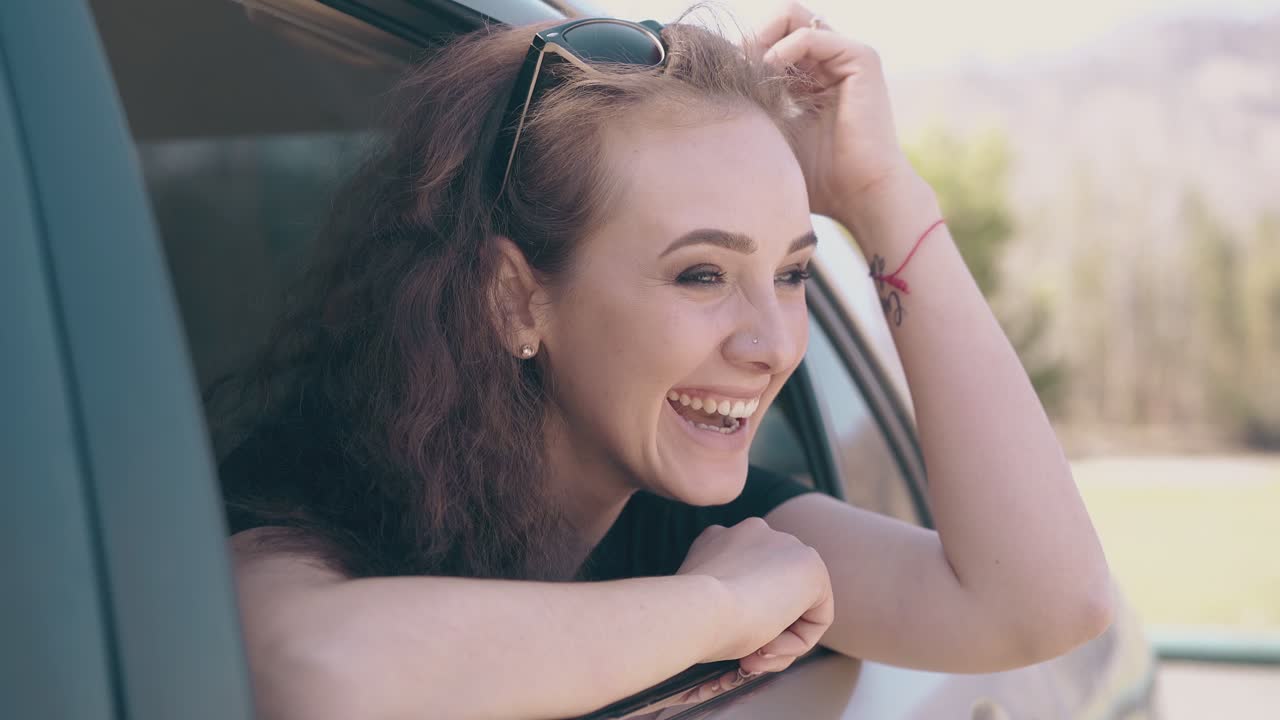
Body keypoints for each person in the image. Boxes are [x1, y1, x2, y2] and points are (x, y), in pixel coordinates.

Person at [212, 4, 1114, 719]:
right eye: (701, 273)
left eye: (794, 271)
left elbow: (1046, 605)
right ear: (515, 299)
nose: (772, 346)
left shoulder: (696, 516)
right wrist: (713, 613)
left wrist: (882, 197)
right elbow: (309, 676)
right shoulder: (315, 495)